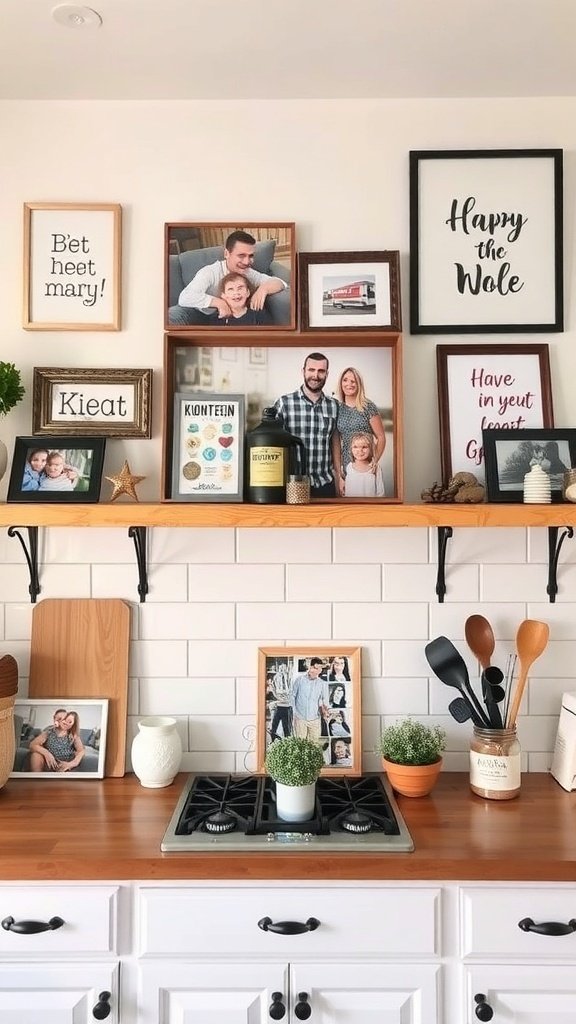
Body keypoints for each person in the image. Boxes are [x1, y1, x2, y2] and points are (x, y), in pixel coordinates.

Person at [176, 230, 287, 323]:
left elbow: (281, 283)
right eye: (241, 255)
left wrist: (264, 289)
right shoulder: (209, 272)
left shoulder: (248, 272)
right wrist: (219, 303)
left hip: (237, 319)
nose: (247, 261)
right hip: (204, 317)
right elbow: (185, 297)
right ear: (226, 254)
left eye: (251, 256)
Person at [273, 352, 340, 498]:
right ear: (303, 371)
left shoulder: (334, 406)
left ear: (327, 374)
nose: (316, 375)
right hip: (293, 484)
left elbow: (335, 442)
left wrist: (340, 476)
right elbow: (273, 445)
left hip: (325, 485)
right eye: (311, 370)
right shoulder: (284, 403)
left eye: (321, 371)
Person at [333, 366, 386, 497]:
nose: (349, 384)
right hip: (346, 466)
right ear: (341, 383)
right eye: (345, 380)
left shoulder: (368, 406)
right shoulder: (337, 408)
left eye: (353, 381)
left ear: (359, 384)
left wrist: (375, 461)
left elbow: (381, 437)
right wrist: (339, 475)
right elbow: (336, 444)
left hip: (366, 464)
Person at [291, 657, 329, 741]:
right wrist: (294, 713)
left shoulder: (322, 683)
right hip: (300, 718)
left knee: (314, 745)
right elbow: (292, 696)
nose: (318, 671)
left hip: (315, 719)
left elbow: (323, 700)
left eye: (320, 669)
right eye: (316, 668)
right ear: (310, 667)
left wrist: (325, 711)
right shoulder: (299, 680)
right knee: (300, 744)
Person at [344, 432, 386, 498]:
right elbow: (347, 492)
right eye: (355, 447)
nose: (360, 450)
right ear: (351, 449)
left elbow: (380, 493)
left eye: (364, 447)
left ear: (371, 449)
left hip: (371, 506)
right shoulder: (349, 467)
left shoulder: (375, 468)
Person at [269, 664, 293, 742]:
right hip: (279, 707)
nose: (282, 671)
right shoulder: (276, 678)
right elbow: (274, 690)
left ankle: (286, 745)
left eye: (284, 669)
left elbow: (290, 695)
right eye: (281, 669)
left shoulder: (289, 679)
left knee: (287, 730)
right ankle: (273, 742)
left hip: (287, 708)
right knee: (273, 728)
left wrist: (283, 698)